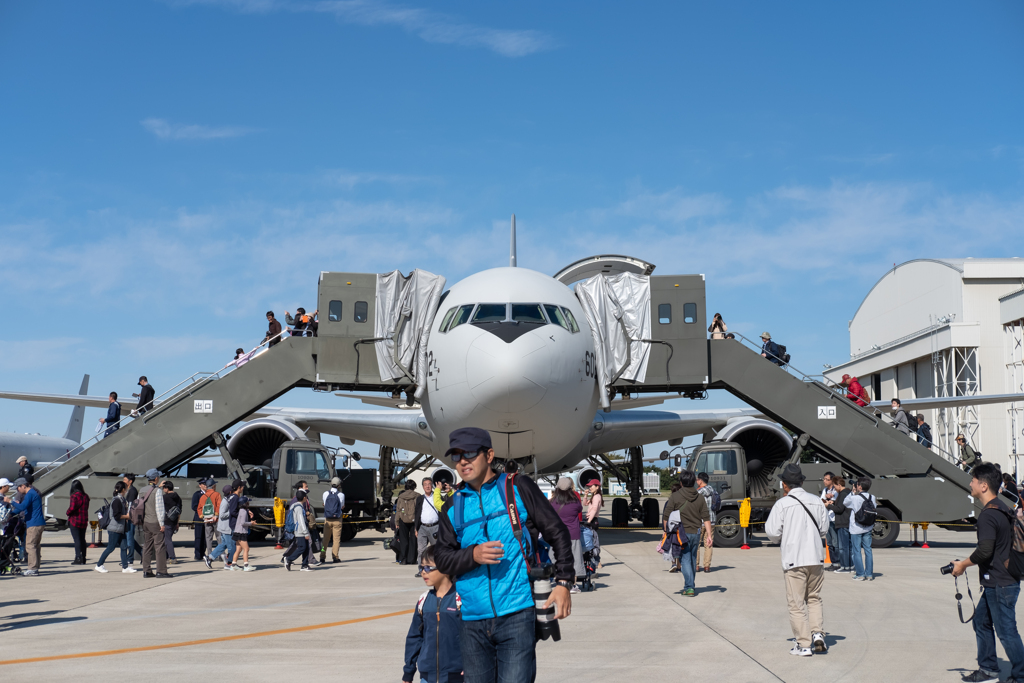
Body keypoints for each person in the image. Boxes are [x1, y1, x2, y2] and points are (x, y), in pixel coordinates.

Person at [434, 427, 573, 683]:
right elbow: (441, 558)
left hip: (517, 614)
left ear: (489, 455)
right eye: (456, 456)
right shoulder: (453, 505)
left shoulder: (516, 487)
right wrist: (472, 555)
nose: (463, 461)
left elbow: (557, 532)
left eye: (470, 453)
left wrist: (564, 582)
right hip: (472, 620)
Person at [951, 463, 1024, 683]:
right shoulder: (1002, 507)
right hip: (999, 581)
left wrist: (962, 565)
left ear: (983, 486)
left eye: (973, 480)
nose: (970, 483)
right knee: (981, 620)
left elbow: (984, 551)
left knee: (1006, 631)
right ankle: (989, 668)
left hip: (1001, 583)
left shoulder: (988, 516)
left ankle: (1021, 675)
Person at [764, 464, 830, 657]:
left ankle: (803, 644)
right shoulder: (817, 501)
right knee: (814, 598)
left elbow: (772, 533)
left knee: (796, 603)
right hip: (816, 558)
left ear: (784, 484)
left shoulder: (782, 504)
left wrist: (784, 536)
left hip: (794, 559)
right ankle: (817, 634)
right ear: (802, 481)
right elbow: (824, 529)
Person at [403, 546, 463, 683]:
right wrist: (409, 670)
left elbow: (472, 638)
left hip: (456, 675)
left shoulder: (460, 600)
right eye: (421, 568)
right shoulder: (423, 600)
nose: (423, 572)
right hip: (427, 676)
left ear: (446, 567)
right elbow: (414, 638)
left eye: (429, 568)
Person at [662, 470, 712, 597]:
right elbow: (706, 517)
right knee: (693, 559)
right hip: (696, 532)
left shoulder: (675, 496)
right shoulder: (700, 497)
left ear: (681, 482)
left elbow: (666, 516)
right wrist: (710, 536)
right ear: (694, 482)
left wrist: (666, 531)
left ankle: (689, 587)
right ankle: (691, 585)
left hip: (680, 534)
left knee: (684, 559)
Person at [549, 477, 585, 592]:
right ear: (570, 488)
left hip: (557, 535)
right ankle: (572, 585)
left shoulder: (553, 502)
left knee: (556, 558)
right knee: (574, 559)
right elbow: (580, 509)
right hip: (573, 534)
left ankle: (559, 582)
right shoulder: (575, 501)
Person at [95, 481, 135, 573]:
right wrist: (127, 516)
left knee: (124, 547)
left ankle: (125, 567)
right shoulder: (117, 500)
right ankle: (99, 565)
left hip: (121, 528)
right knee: (110, 548)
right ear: (123, 489)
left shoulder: (122, 499)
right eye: (126, 488)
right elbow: (116, 516)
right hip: (114, 529)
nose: (127, 489)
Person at [138, 469, 170, 578]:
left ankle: (146, 570)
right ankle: (161, 571)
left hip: (145, 521)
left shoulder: (142, 490)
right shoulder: (157, 491)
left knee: (147, 546)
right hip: (155, 522)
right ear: (156, 478)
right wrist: (162, 523)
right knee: (159, 547)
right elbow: (159, 508)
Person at [10, 477, 44, 576]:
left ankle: (32, 568)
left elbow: (22, 507)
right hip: (39, 523)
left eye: (18, 488)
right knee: (36, 546)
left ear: (23, 486)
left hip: (34, 524)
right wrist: (12, 514)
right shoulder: (33, 493)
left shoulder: (30, 494)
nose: (17, 490)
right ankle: (35, 567)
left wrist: (10, 502)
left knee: (30, 545)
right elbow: (23, 508)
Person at [845, 476, 877, 581]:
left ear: (859, 486)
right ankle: (869, 574)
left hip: (856, 528)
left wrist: (852, 492)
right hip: (868, 527)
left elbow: (845, 503)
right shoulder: (872, 497)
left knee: (856, 551)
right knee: (868, 550)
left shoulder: (855, 498)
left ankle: (860, 574)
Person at [826, 476, 854, 573]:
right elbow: (841, 505)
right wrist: (833, 502)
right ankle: (850, 565)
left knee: (843, 547)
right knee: (848, 546)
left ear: (839, 485)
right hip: (847, 522)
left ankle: (845, 566)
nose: (834, 489)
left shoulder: (842, 494)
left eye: (834, 486)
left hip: (842, 522)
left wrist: (828, 505)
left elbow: (839, 509)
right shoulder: (847, 492)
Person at [207, 484, 237, 569]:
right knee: (231, 547)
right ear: (230, 492)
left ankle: (210, 558)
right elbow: (222, 514)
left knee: (223, 545)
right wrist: (231, 512)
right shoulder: (225, 501)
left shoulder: (227, 500)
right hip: (225, 528)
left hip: (225, 527)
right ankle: (229, 564)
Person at [414, 477, 439, 576]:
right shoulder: (420, 499)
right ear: (423, 487)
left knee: (436, 549)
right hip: (422, 527)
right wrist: (416, 528)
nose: (427, 486)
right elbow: (417, 514)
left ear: (432, 485)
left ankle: (437, 568)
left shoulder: (436, 497)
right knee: (421, 550)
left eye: (429, 484)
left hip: (435, 527)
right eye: (425, 484)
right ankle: (421, 569)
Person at [285, 489, 313, 571]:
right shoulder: (299, 508)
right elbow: (301, 521)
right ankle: (289, 559)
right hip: (300, 531)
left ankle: (304, 565)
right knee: (302, 548)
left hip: (300, 530)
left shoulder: (296, 506)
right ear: (304, 497)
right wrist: (305, 533)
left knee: (306, 548)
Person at [321, 476, 345, 564]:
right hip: (337, 519)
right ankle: (335, 557)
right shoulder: (341, 495)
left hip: (327, 519)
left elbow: (324, 504)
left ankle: (322, 556)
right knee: (336, 540)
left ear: (331, 483)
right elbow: (342, 506)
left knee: (325, 540)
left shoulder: (325, 494)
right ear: (339, 485)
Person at [695, 472, 717, 573]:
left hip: (699, 521)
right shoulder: (713, 490)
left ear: (700, 480)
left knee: (697, 544)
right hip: (711, 520)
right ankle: (707, 566)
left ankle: (696, 565)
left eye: (697, 480)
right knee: (708, 544)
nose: (696, 481)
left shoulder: (698, 492)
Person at [66, 480, 91, 565]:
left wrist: (67, 512)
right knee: (82, 539)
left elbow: (72, 508)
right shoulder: (86, 496)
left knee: (77, 540)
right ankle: (83, 557)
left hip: (75, 520)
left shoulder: (74, 496)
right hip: (84, 520)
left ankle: (78, 557)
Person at [396, 480, 420, 566]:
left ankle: (403, 559)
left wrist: (397, 521)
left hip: (403, 520)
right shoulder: (418, 496)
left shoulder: (401, 496)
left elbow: (398, 510)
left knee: (403, 540)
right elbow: (419, 510)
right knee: (414, 540)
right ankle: (412, 559)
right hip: (414, 521)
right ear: (414, 487)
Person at [121, 473, 143, 564]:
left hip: (130, 518)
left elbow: (130, 505)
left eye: (125, 480)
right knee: (129, 538)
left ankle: (130, 559)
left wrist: (127, 516)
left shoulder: (132, 491)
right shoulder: (129, 490)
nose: (123, 481)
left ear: (130, 481)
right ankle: (142, 553)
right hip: (129, 517)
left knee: (129, 539)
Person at [198, 479, 222, 560]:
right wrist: (216, 515)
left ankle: (209, 555)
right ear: (213, 486)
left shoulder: (203, 497)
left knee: (208, 538)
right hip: (216, 520)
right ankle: (221, 555)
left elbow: (199, 508)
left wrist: (202, 516)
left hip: (207, 520)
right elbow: (219, 506)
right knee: (219, 537)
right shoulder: (217, 494)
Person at [582, 478, 603, 568]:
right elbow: (585, 504)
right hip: (591, 519)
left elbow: (594, 509)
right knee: (590, 540)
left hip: (593, 520)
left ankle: (597, 561)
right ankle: (595, 561)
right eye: (589, 486)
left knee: (593, 541)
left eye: (591, 486)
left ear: (597, 487)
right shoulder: (594, 496)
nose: (590, 487)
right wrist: (586, 495)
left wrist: (589, 521)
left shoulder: (597, 497)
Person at [819, 472, 838, 571]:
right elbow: (821, 501)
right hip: (827, 519)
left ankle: (838, 563)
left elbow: (836, 503)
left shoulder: (836, 490)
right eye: (824, 479)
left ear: (832, 480)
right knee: (829, 542)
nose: (824, 481)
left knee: (835, 542)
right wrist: (826, 497)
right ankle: (833, 562)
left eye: (827, 479)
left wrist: (830, 500)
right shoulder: (825, 490)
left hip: (834, 519)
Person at [231, 495, 255, 571]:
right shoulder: (244, 512)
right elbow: (243, 523)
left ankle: (233, 565)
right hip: (241, 533)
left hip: (237, 532)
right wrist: (251, 523)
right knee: (246, 548)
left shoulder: (241, 510)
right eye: (247, 502)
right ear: (245, 503)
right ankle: (246, 565)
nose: (248, 503)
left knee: (238, 549)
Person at [160, 480, 181, 564]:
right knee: (167, 539)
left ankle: (172, 557)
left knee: (167, 540)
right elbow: (179, 511)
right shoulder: (177, 497)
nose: (163, 490)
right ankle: (166, 556)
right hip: (174, 521)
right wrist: (177, 523)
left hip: (166, 521)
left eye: (163, 488)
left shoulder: (165, 497)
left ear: (167, 488)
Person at [191, 478, 208, 560]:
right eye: (204, 484)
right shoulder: (197, 494)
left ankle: (203, 553)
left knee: (205, 537)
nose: (205, 485)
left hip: (207, 518)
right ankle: (197, 554)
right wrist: (203, 511)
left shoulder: (209, 494)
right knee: (198, 537)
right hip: (199, 518)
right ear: (200, 485)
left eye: (206, 484)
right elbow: (194, 506)